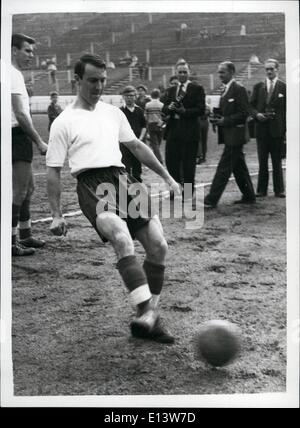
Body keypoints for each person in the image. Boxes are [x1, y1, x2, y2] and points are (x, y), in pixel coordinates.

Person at [46, 54, 180, 343]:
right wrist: (56, 214)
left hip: (123, 180)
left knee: (158, 246)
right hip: (92, 185)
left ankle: (149, 316)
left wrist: (167, 176)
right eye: (93, 80)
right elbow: (53, 170)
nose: (99, 86)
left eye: (103, 80)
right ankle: (147, 312)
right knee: (122, 238)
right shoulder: (63, 121)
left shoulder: (112, 113)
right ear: (77, 80)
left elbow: (137, 146)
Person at [11, 34, 48, 257]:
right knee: (19, 191)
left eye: (32, 51)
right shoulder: (12, 74)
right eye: (27, 51)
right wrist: (39, 140)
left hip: (19, 136)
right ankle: (10, 243)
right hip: (16, 135)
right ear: (14, 50)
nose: (31, 56)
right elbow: (19, 113)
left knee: (29, 189)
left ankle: (25, 235)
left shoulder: (15, 74)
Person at [204, 61, 256, 208]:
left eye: (223, 72)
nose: (220, 75)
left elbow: (244, 113)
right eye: (219, 72)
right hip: (230, 135)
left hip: (236, 136)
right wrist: (216, 117)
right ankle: (249, 195)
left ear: (232, 72)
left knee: (224, 168)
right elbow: (228, 110)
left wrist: (225, 120)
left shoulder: (238, 89)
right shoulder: (225, 89)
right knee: (239, 167)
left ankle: (211, 199)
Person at [162, 62, 206, 197]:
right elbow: (163, 109)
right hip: (173, 131)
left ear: (189, 73)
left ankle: (187, 194)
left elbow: (201, 109)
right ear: (176, 73)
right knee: (171, 162)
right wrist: (168, 109)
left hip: (190, 131)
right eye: (180, 72)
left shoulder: (197, 88)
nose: (182, 74)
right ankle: (175, 190)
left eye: (184, 72)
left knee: (188, 165)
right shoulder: (170, 90)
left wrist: (184, 111)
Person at [250, 59, 286, 198]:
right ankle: (261, 190)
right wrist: (257, 114)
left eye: (272, 69)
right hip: (262, 129)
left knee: (277, 161)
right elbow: (250, 106)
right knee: (262, 161)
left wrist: (285, 130)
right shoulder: (258, 86)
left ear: (277, 69)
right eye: (267, 69)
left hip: (277, 130)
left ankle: (279, 190)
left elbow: (288, 110)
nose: (269, 71)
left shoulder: (284, 87)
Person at [119, 85, 147, 182]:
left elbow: (144, 126)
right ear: (123, 97)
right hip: (124, 145)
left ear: (135, 96)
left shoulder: (139, 110)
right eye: (127, 96)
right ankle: (125, 193)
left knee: (137, 169)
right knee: (124, 168)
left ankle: (137, 191)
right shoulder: (120, 111)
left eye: (131, 95)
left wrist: (140, 139)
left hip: (137, 144)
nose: (129, 98)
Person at [145, 88, 164, 164]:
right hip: (160, 124)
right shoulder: (162, 105)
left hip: (151, 124)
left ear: (151, 96)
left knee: (154, 143)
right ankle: (158, 158)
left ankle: (158, 159)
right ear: (159, 95)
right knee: (158, 142)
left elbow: (146, 116)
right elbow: (164, 116)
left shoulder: (148, 105)